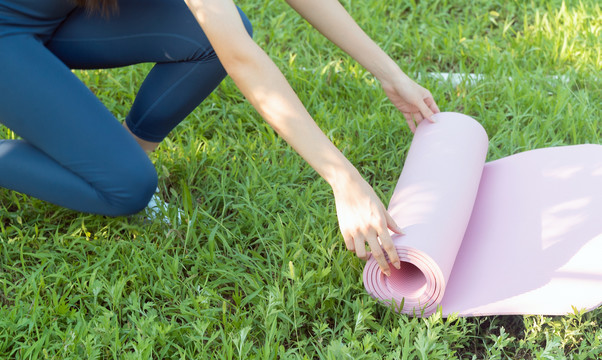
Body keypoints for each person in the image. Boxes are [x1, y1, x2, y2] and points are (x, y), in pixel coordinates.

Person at [0, 0, 439, 276]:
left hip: (59, 14)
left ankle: (118, 152)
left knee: (206, 38)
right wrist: (343, 180)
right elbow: (244, 62)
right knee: (126, 187)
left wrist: (391, 75)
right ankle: (112, 167)